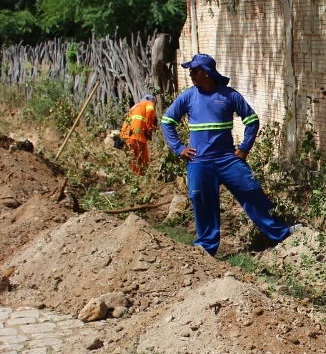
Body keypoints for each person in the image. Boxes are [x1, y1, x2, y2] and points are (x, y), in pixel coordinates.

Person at [161, 53, 291, 256]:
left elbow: (252, 120)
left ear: (205, 73)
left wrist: (244, 148)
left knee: (252, 191)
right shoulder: (188, 96)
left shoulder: (229, 96)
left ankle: (282, 235)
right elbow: (167, 122)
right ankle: (205, 251)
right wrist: (179, 148)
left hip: (228, 160)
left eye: (193, 71)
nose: (190, 75)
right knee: (203, 203)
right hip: (199, 162)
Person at [120, 94, 158, 174]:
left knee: (132, 160)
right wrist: (149, 130)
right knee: (141, 160)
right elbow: (150, 112)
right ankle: (140, 176)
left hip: (125, 136)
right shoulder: (148, 103)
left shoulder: (135, 107)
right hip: (136, 135)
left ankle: (134, 176)